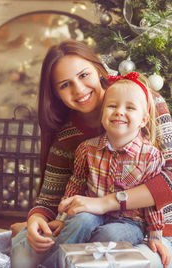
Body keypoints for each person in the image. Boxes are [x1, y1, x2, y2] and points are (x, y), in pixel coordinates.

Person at [11, 40, 172, 268]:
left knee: (135, 261)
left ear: (99, 70)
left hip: (147, 229)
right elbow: (51, 197)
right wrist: (36, 218)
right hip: (86, 222)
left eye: (84, 75)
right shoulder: (70, 136)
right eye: (65, 85)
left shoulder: (144, 100)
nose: (78, 89)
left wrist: (106, 203)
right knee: (27, 250)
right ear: (56, 94)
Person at [48, 72, 169, 265]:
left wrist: (155, 237)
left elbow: (152, 203)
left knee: (110, 233)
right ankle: (52, 264)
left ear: (144, 120)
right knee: (79, 221)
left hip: (130, 222)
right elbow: (76, 186)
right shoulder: (87, 149)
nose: (119, 112)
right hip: (92, 212)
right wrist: (63, 218)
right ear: (102, 114)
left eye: (130, 108)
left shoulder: (151, 156)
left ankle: (78, 264)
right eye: (112, 106)